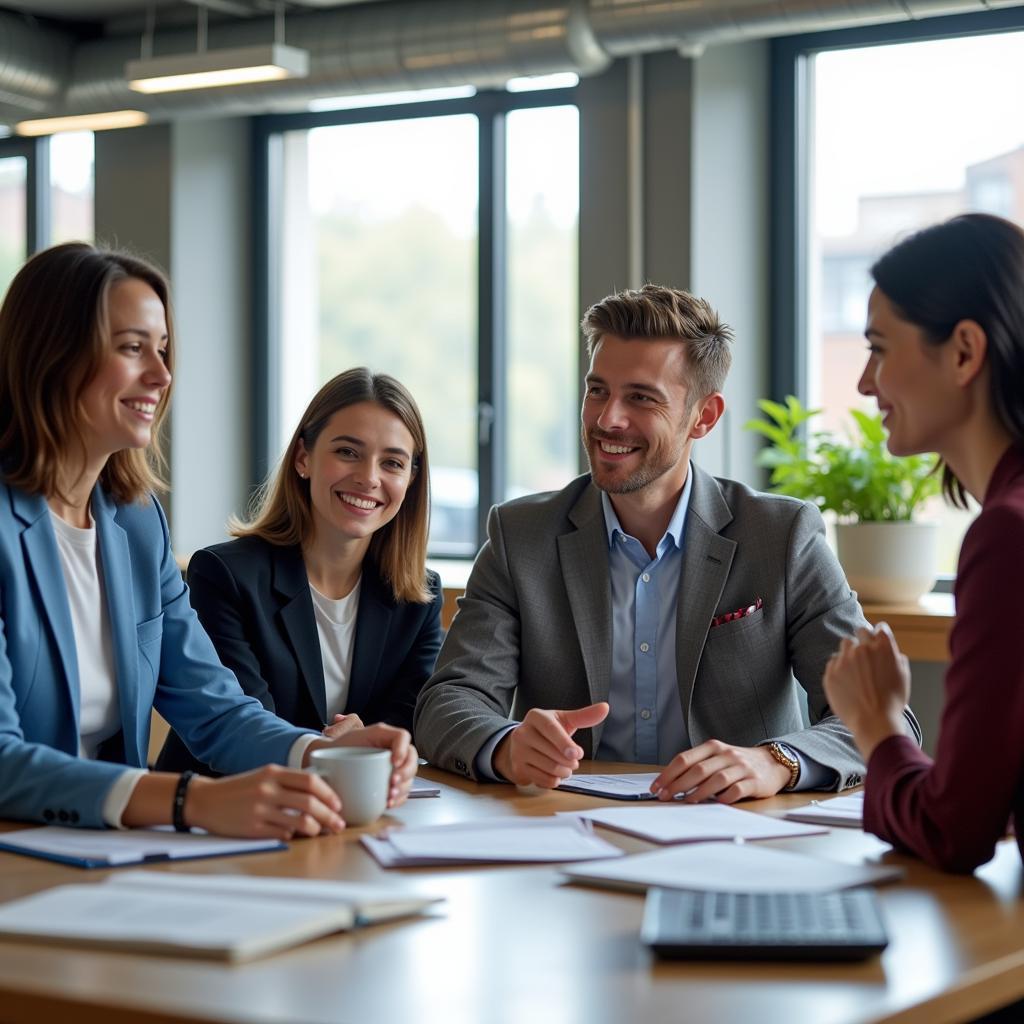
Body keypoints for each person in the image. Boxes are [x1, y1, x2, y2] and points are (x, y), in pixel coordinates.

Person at [415, 284, 920, 800]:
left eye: (640, 397)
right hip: (566, 826)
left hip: (736, 833)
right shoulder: (520, 537)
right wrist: (507, 744)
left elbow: (884, 722)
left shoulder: (782, 536)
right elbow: (448, 702)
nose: (608, 418)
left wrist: (775, 762)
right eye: (597, 390)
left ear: (704, 416)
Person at [0, 242, 416, 837]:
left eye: (163, 350)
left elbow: (215, 708)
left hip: (101, 856)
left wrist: (321, 756)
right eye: (132, 348)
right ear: (52, 355)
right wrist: (186, 802)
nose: (162, 375)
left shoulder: (137, 524)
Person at [823, 213, 1024, 873]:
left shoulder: (1007, 536)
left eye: (880, 348)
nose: (864, 383)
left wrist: (876, 721)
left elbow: (953, 828)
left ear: (964, 351)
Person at [157, 368, 441, 776]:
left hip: (355, 811)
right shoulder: (224, 575)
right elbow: (243, 728)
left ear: (411, 480)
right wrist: (342, 748)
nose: (368, 478)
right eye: (347, 452)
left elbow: (410, 724)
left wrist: (370, 741)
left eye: (392, 462)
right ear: (304, 457)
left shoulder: (418, 596)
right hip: (222, 811)